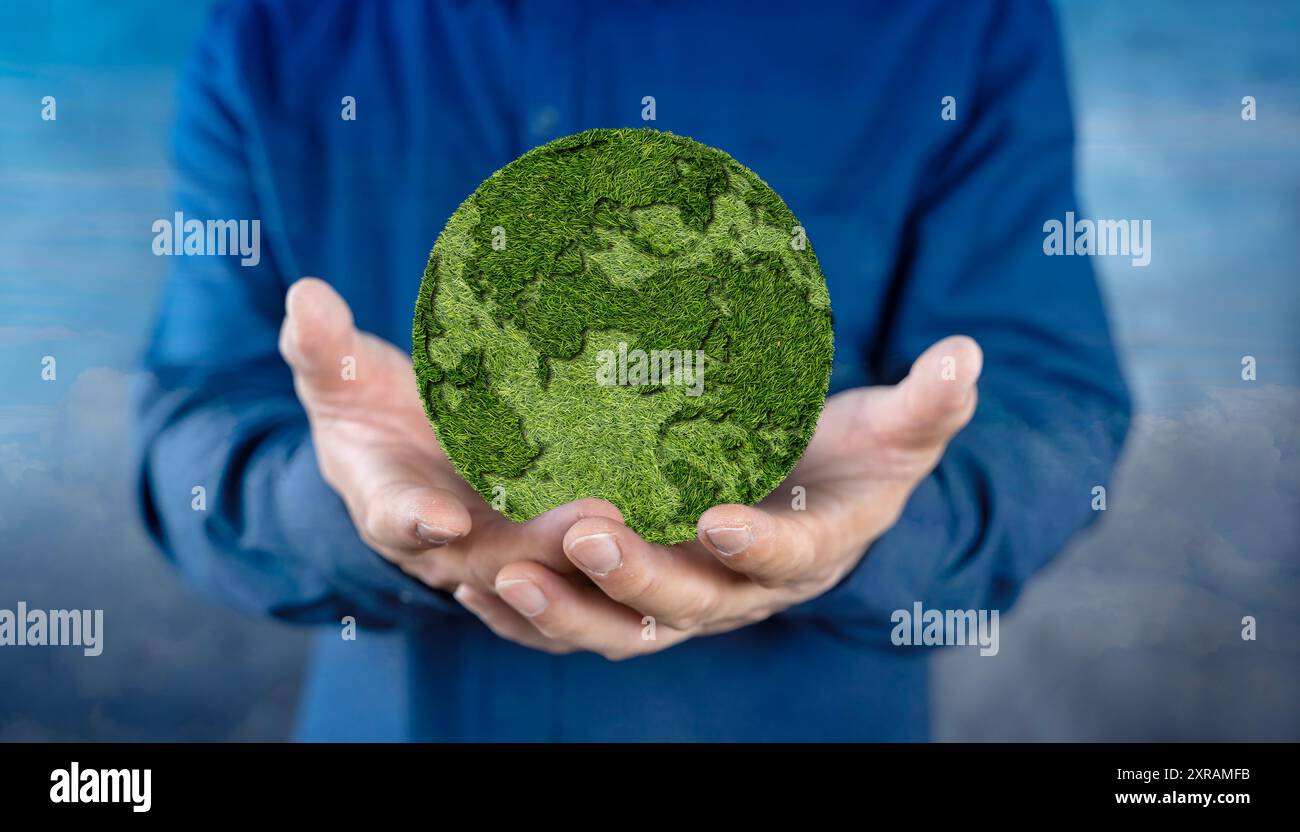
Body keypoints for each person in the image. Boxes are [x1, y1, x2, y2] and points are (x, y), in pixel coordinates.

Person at [133, 0, 1130, 741]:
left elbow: (1050, 407)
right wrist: (342, 500)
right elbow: (189, 428)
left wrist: (869, 529)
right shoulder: (268, 34)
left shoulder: (959, 22)